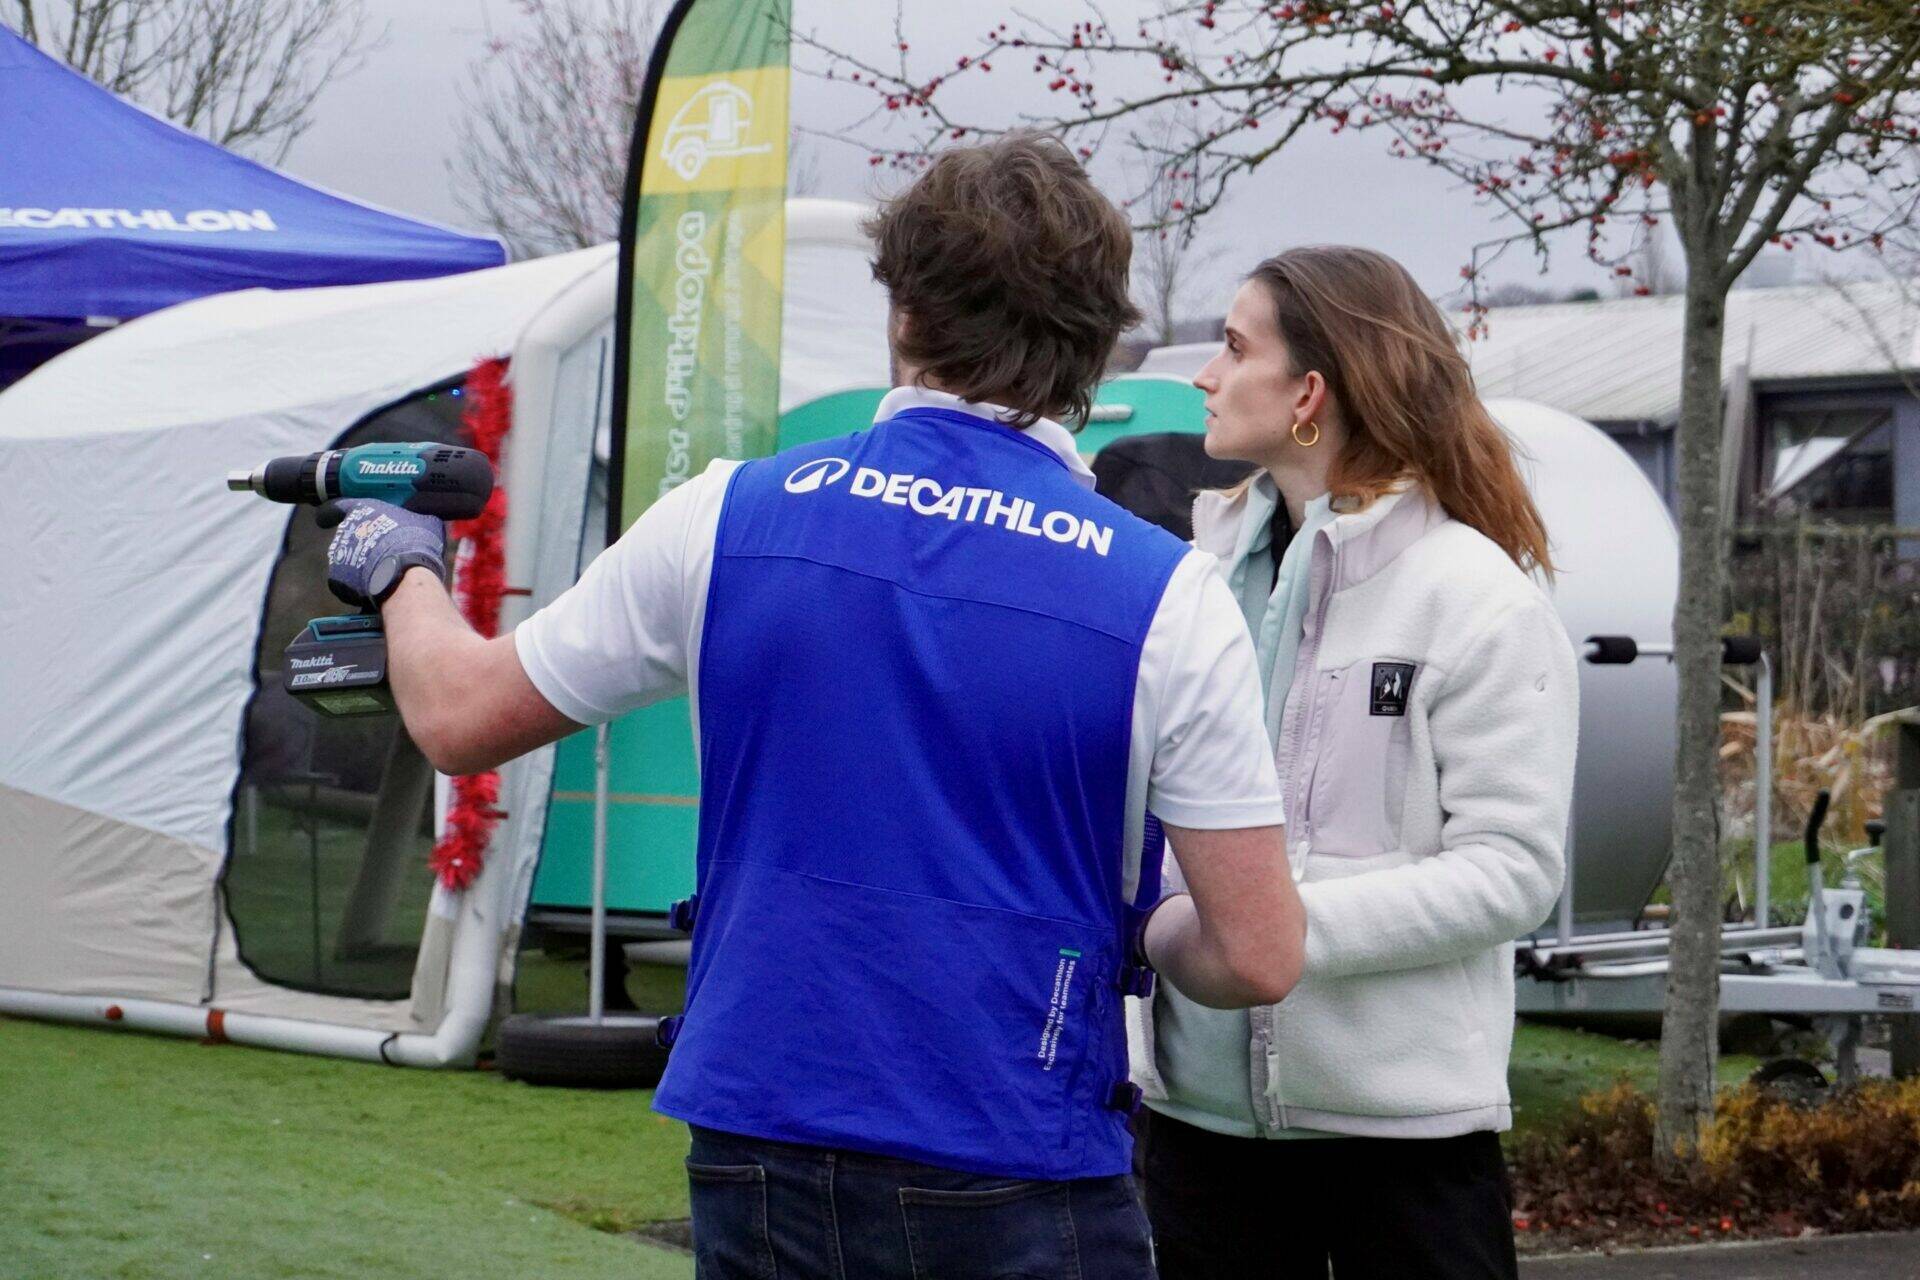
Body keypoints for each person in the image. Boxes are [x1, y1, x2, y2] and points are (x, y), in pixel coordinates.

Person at [315, 132, 1307, 1279]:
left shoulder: (728, 514)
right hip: (1016, 1144)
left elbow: (455, 713)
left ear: (905, 316)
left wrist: (403, 565)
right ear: (1095, 341)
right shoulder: (1167, 593)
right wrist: (1141, 915)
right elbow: (1257, 951)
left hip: (764, 1133)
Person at [1129, 245, 1580, 1280]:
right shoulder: (1193, 582)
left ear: (1310, 394)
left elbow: (1512, 866)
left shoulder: (1476, 598)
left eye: (1234, 347)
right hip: (1197, 1136)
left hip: (1407, 1154)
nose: (1204, 373)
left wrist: (1272, 927)